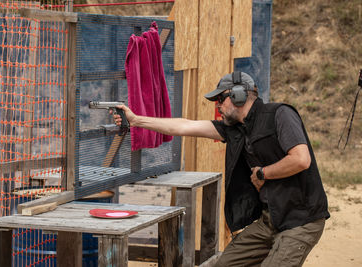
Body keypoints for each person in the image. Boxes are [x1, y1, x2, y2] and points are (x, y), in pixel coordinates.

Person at [112, 71, 330, 267]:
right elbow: (184, 126)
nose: (217, 105)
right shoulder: (235, 129)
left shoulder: (279, 115)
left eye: (220, 99)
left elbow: (301, 160)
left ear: (239, 95)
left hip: (302, 220)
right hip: (270, 221)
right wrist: (136, 120)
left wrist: (264, 173)